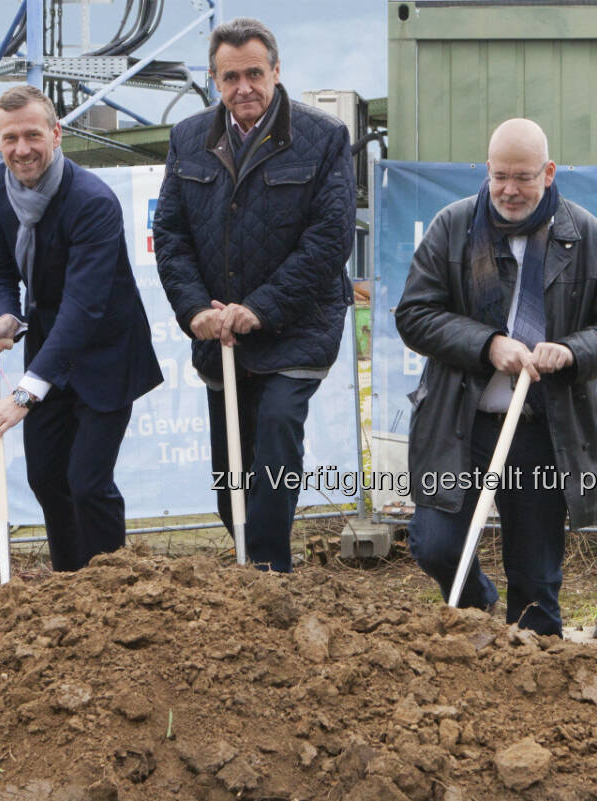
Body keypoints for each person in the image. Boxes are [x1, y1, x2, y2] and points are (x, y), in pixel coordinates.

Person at [396, 118, 597, 636]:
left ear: (549, 173)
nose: (510, 189)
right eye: (500, 176)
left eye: (524, 177)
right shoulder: (452, 227)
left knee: (535, 581)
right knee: (436, 545)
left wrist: (572, 351)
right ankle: (476, 605)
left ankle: (537, 689)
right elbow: (414, 314)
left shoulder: (587, 236)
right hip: (460, 424)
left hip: (543, 431)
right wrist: (487, 345)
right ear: (486, 170)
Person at [154, 17, 355, 572]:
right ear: (214, 80)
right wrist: (195, 308)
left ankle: (269, 574)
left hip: (296, 328)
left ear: (276, 71)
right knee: (229, 474)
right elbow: (170, 234)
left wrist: (261, 309)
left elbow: (329, 239)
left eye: (254, 73)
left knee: (275, 433)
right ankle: (248, 557)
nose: (243, 87)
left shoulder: (324, 138)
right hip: (220, 333)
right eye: (229, 76)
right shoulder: (188, 138)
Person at [0, 85, 161, 572]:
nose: (22, 149)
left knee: (88, 482)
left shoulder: (92, 201)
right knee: (47, 477)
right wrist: (7, 317)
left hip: (106, 355)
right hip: (51, 345)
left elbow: (84, 306)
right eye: (10, 138)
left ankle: (110, 587)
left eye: (33, 134)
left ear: (56, 134)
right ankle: (70, 585)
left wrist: (25, 394)